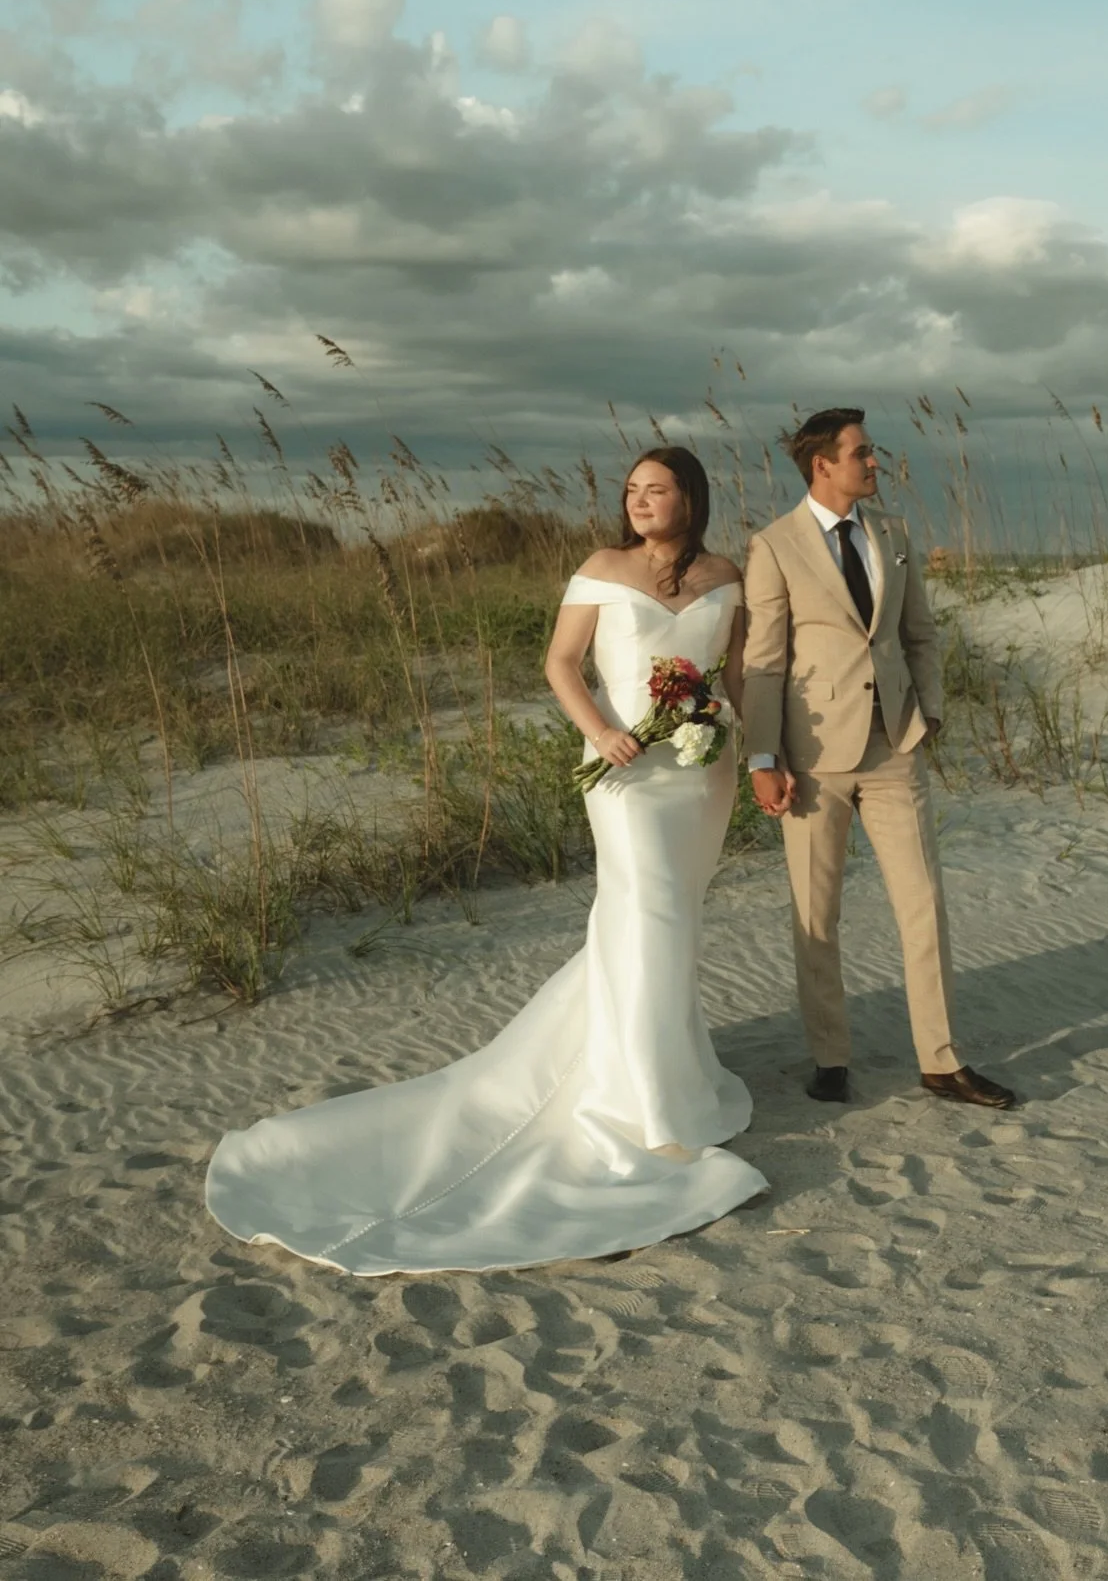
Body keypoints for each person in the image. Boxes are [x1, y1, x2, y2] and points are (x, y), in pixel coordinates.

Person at [205, 449, 766, 1275]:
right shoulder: (601, 568)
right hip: (621, 772)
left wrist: (742, 742)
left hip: (697, 773)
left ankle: (676, 1074)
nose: (641, 502)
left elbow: (735, 672)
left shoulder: (727, 573)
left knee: (669, 923)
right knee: (648, 914)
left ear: (692, 497)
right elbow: (559, 663)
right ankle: (640, 1106)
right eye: (632, 491)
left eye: (658, 490)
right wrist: (599, 732)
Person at [742, 407, 1018, 1110]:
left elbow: (918, 632)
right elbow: (765, 664)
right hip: (812, 758)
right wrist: (763, 756)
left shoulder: (893, 532)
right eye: (862, 453)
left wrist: (929, 710)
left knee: (924, 903)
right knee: (818, 913)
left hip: (894, 746)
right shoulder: (774, 546)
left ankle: (942, 1060)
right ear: (822, 465)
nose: (876, 463)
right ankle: (831, 1058)